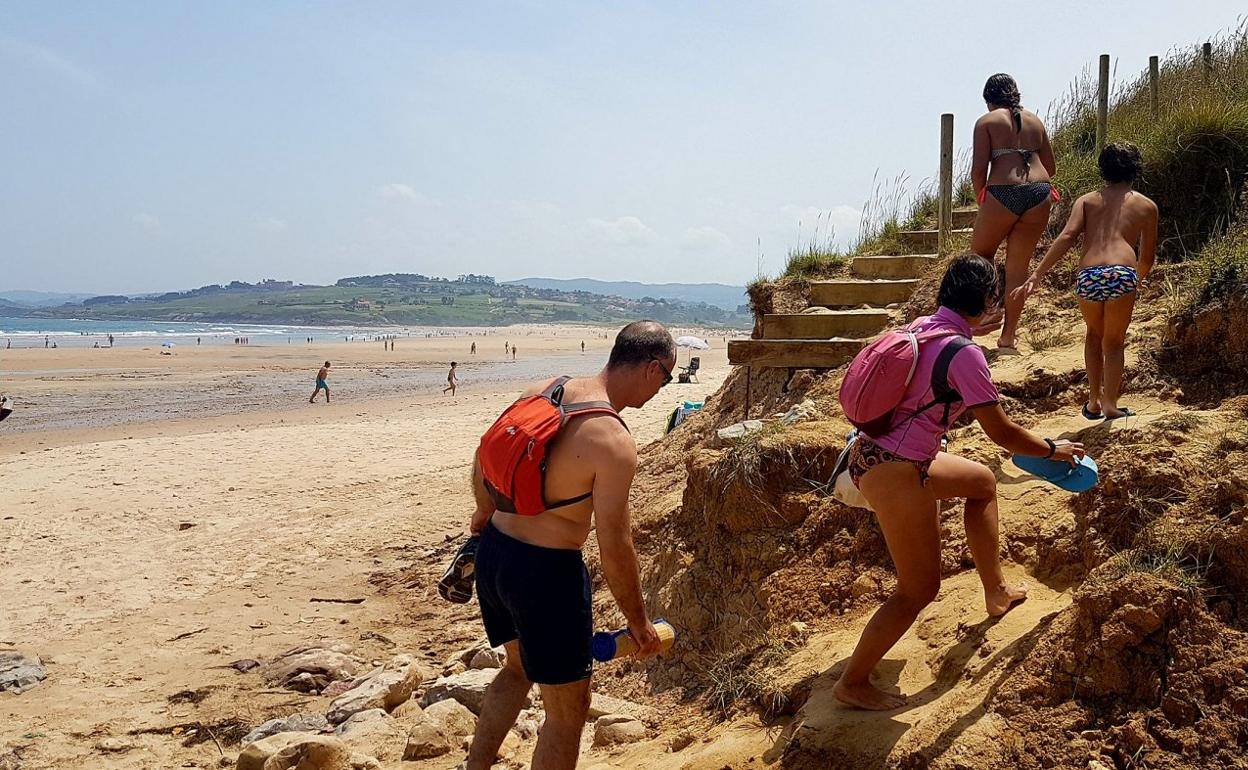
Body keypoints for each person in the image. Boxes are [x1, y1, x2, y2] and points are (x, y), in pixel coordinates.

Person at [833, 255, 1084, 711]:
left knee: (982, 483)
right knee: (918, 590)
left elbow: (936, 361)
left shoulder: (925, 327)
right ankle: (853, 681)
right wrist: (1053, 449)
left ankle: (996, 592)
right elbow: (1003, 434)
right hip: (896, 470)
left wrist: (973, 332)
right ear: (987, 302)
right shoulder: (964, 355)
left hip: (874, 453)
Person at [465, 321, 676, 770]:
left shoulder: (547, 388)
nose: (663, 388)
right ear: (654, 369)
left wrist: (483, 511)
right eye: (668, 377)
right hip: (545, 575)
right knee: (567, 712)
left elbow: (486, 453)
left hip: (496, 553)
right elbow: (614, 543)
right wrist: (638, 623)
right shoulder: (613, 440)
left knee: (517, 669)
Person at [1012, 142, 1158, 421]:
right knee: (1114, 342)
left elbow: (1067, 237)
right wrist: (1134, 281)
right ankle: (1111, 404)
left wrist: (1037, 274)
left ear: (1102, 169)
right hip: (1122, 273)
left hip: (1089, 275)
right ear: (1136, 169)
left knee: (1094, 335)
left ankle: (1092, 401)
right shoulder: (1147, 206)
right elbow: (1147, 257)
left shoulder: (1087, 200)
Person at [970, 73, 1058, 350]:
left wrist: (982, 198)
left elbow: (977, 170)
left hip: (1003, 191)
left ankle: (990, 311)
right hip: (1040, 193)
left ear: (988, 100)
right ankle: (1008, 337)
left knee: (981, 256)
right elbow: (1051, 168)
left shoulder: (986, 122)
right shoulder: (1035, 120)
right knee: (1018, 268)